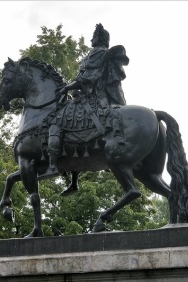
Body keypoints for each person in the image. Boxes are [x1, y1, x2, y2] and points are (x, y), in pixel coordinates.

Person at [39, 23, 129, 181]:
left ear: (99, 39)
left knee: (56, 122)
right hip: (96, 98)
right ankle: (73, 179)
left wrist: (66, 88)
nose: (90, 39)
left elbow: (86, 79)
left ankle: (53, 166)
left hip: (95, 100)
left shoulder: (97, 53)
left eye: (93, 37)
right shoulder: (101, 54)